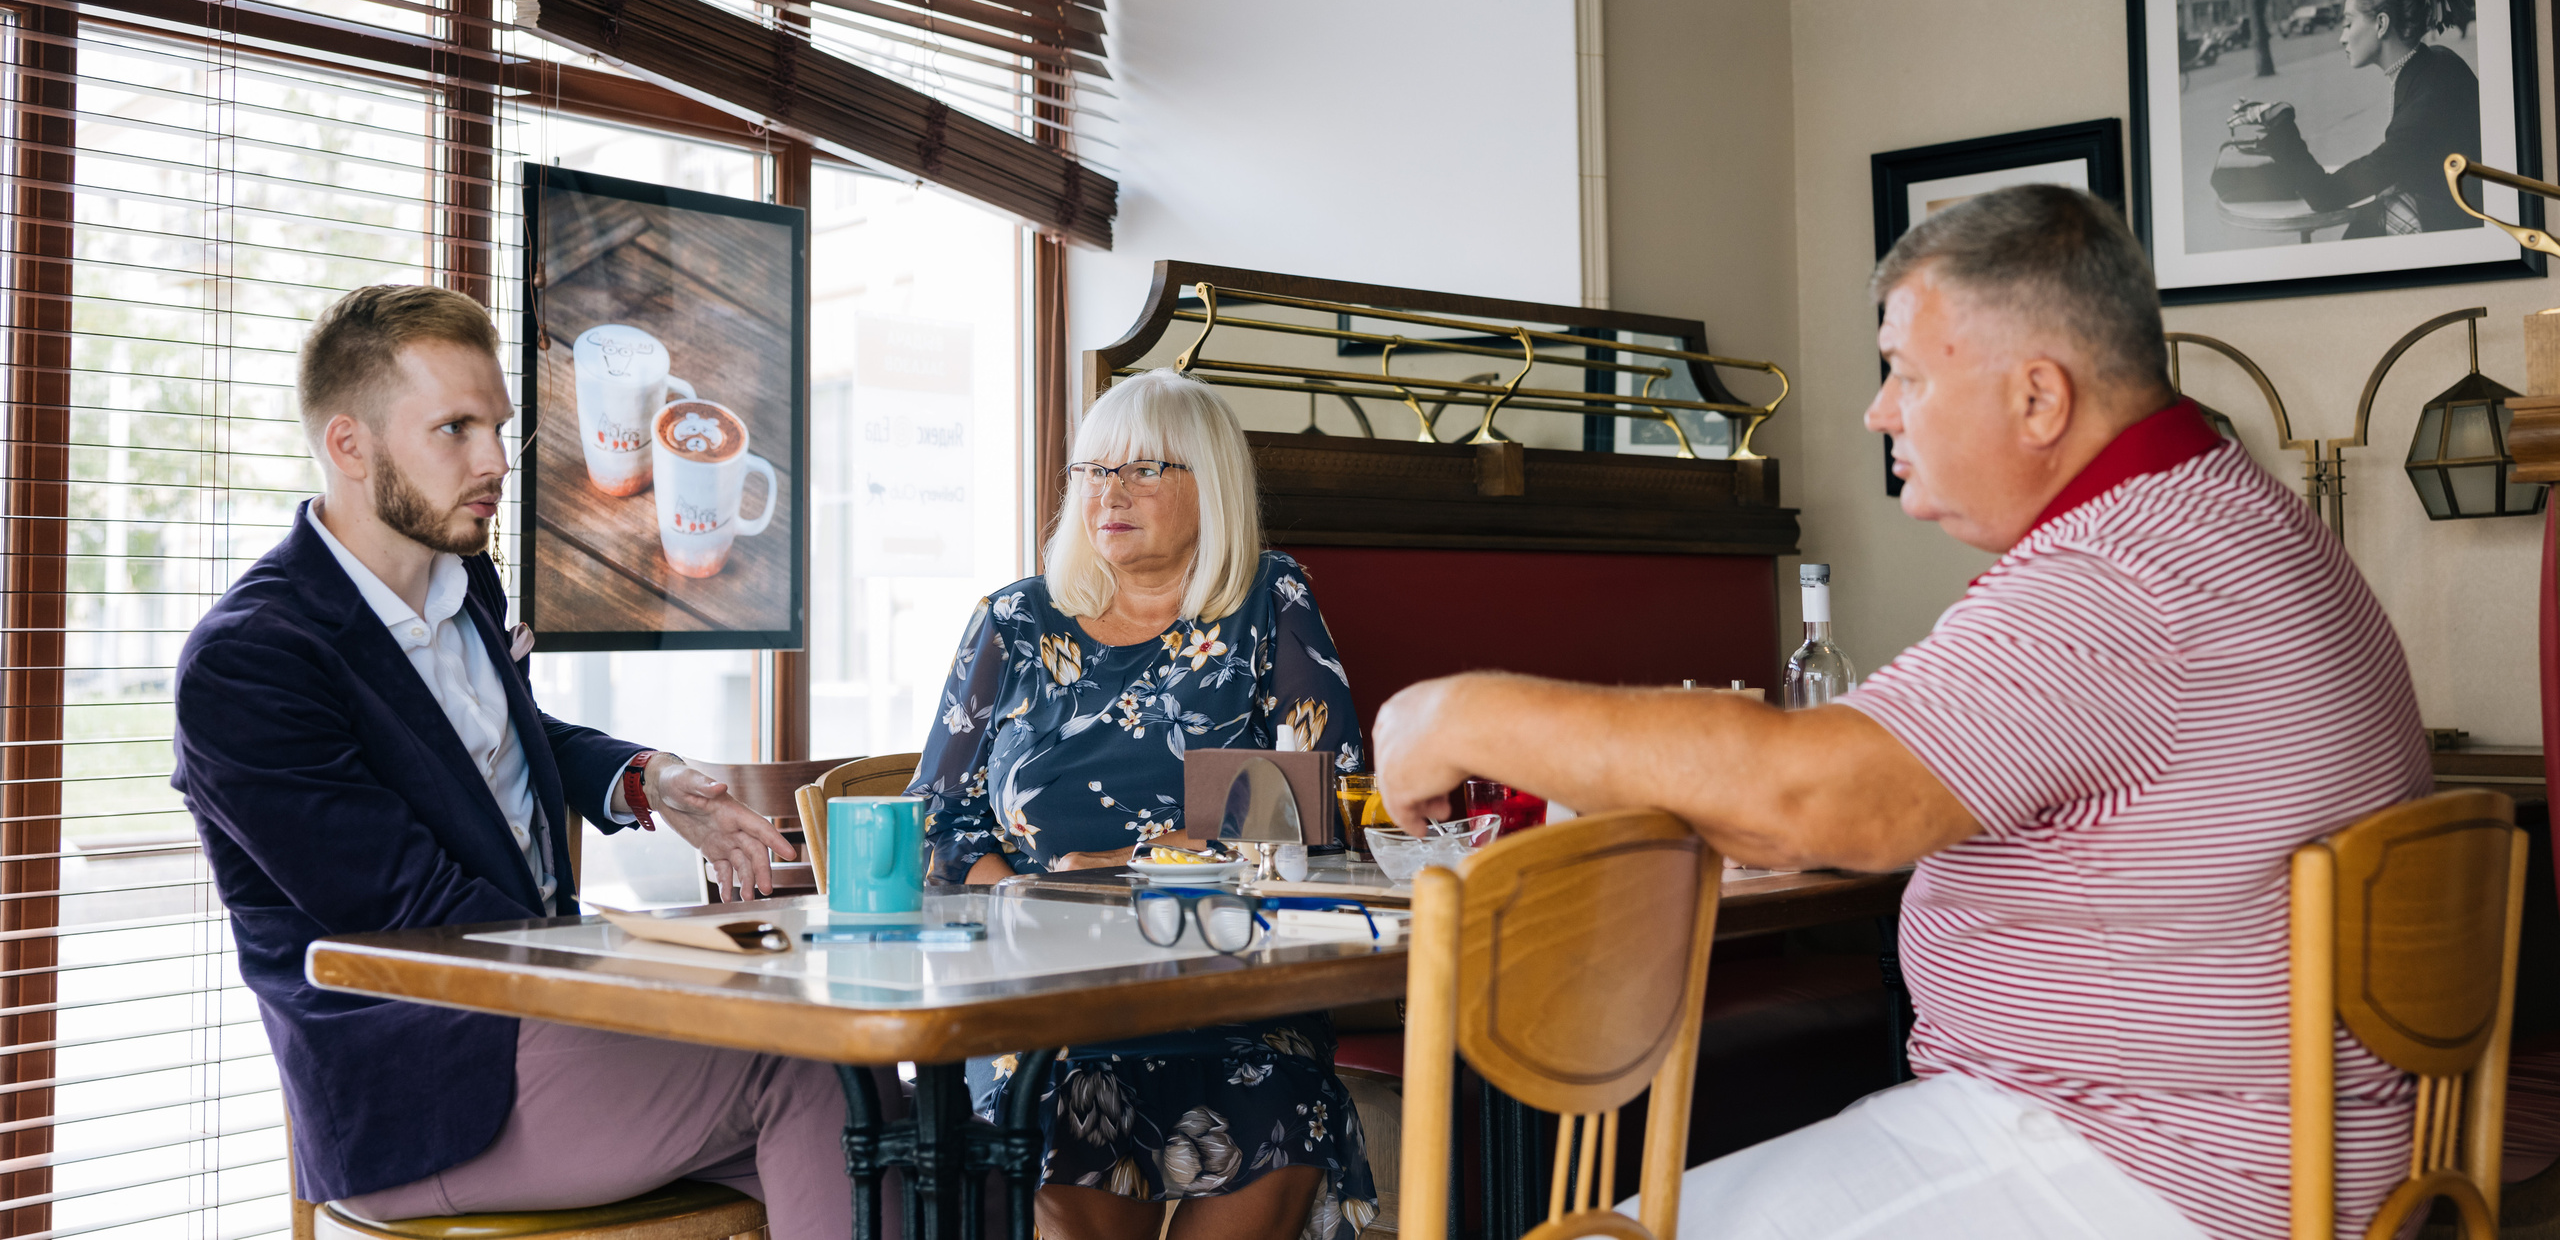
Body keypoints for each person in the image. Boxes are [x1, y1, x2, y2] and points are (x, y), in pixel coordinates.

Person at [1371, 186, 2428, 1240]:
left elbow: (1807, 799)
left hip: (2150, 1164)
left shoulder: (2121, 574)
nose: (1880, 409)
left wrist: (1457, 711)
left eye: (1908, 375)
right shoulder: (2228, 515)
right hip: (2257, 1141)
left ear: (2038, 400)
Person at [170, 285, 855, 1239]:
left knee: (887, 1126)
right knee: (801, 1069)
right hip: (429, 1093)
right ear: (349, 447)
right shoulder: (250, 662)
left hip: (550, 1033)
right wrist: (666, 953)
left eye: (499, 426)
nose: (496, 461)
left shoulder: (465, 579)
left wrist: (646, 779)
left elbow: (487, 741)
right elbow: (410, 917)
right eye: (454, 429)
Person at [911, 369, 1377, 1240]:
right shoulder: (1012, 622)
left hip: (1233, 984)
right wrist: (1038, 896)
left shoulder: (1269, 600)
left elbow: (1319, 801)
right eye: (1091, 471)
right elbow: (937, 821)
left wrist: (1142, 868)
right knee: (1054, 1104)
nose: (1108, 493)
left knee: (1285, 1095)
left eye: (1144, 470)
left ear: (1212, 484)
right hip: (1044, 1001)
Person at [2247, 0, 2481, 236]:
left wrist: (2279, 121)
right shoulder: (2441, 60)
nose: (2342, 37)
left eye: (2348, 23)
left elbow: (2325, 195)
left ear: (2381, 24)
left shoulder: (2420, 115)